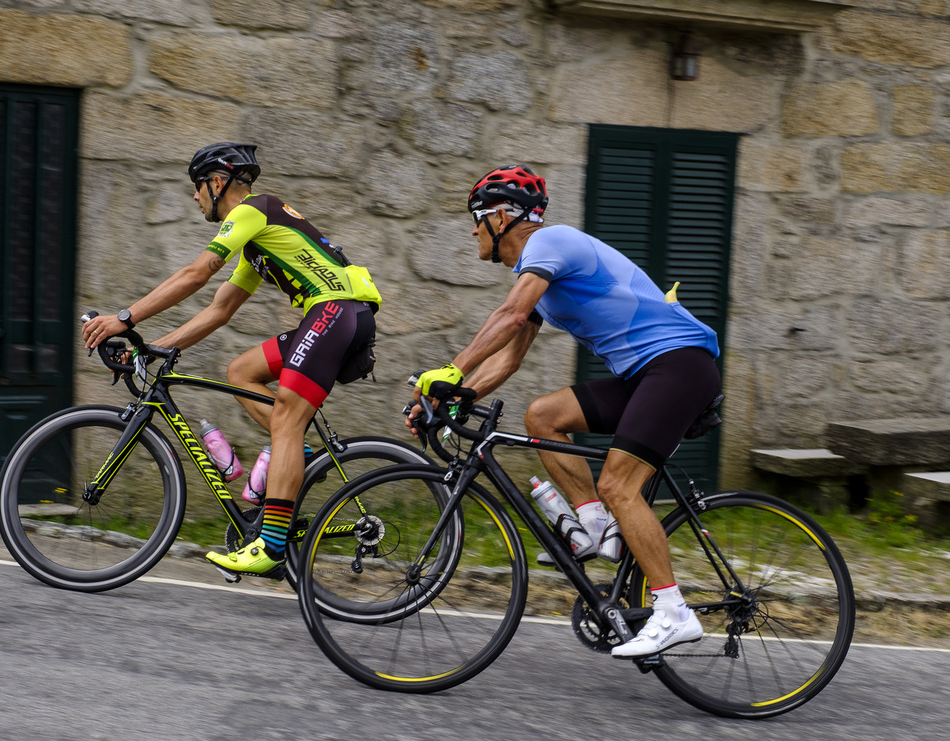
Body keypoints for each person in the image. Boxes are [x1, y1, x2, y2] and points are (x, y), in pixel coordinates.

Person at [410, 165, 721, 658]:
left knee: (620, 484)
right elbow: (509, 357)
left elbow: (508, 316)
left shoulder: (550, 243)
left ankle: (673, 613)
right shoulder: (538, 274)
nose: (471, 229)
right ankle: (595, 525)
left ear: (501, 216)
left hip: (678, 366)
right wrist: (454, 393)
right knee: (543, 416)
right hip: (646, 375)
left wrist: (450, 369)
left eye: (476, 217)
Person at [83, 142, 382, 576]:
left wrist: (124, 319)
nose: (194, 197)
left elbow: (196, 273)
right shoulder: (258, 240)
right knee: (241, 371)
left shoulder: (252, 211)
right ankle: (292, 453)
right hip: (336, 314)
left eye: (197, 187)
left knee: (285, 421)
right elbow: (220, 310)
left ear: (217, 183)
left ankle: (272, 544)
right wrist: (156, 347)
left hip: (334, 312)